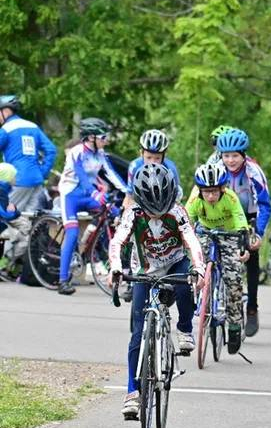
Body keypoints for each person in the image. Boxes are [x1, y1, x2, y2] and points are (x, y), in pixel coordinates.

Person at [108, 164, 205, 419]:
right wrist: (116, 268)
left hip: (175, 263)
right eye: (151, 210)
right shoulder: (132, 213)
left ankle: (185, 327)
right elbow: (118, 241)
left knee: (187, 284)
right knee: (138, 333)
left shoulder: (178, 212)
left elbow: (192, 242)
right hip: (146, 270)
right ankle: (132, 392)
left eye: (161, 209)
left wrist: (199, 269)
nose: (156, 216)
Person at [56, 117, 131, 295]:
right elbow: (81, 177)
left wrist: (130, 192)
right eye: (103, 136)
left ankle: (125, 268)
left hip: (88, 195)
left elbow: (112, 175)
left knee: (116, 215)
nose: (106, 140)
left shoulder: (100, 155)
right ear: (91, 137)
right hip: (71, 196)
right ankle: (62, 280)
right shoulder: (76, 152)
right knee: (72, 234)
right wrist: (95, 193)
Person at [186, 162, 250, 353]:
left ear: (223, 189)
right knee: (194, 265)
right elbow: (186, 219)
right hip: (205, 232)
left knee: (233, 280)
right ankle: (198, 299)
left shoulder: (230, 197)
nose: (211, 196)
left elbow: (240, 217)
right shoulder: (196, 199)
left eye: (215, 191)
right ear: (200, 190)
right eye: (207, 192)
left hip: (229, 234)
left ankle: (235, 325)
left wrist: (243, 235)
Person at [214, 127, 271, 337]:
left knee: (251, 255)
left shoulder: (253, 172)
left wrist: (259, 233)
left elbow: (265, 205)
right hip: (221, 217)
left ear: (243, 155)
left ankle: (252, 307)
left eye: (235, 156)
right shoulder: (215, 168)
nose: (230, 160)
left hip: (249, 217)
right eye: (226, 156)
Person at [0, 94, 56, 216]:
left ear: (6, 111)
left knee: (6, 219)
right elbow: (51, 150)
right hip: (36, 180)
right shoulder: (33, 126)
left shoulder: (6, 129)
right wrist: (43, 172)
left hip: (18, 181)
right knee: (27, 225)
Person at [127, 129, 182, 194]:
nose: (152, 162)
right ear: (141, 154)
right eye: (148, 157)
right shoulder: (134, 166)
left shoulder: (170, 168)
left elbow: (176, 193)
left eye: (157, 158)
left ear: (164, 157)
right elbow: (129, 195)